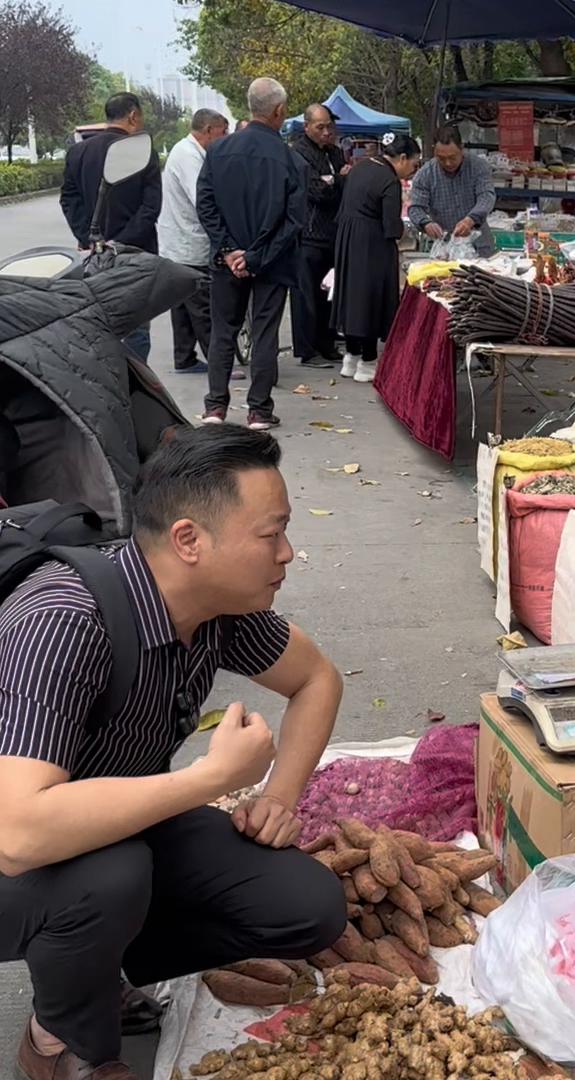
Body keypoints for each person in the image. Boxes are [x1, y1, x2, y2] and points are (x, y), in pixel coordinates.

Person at [0, 423, 346, 1080]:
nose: (288, 553)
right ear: (189, 540)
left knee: (306, 904)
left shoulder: (218, 609)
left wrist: (277, 796)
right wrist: (210, 779)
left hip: (104, 828)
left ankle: (98, 970)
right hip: (16, 846)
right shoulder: (65, 621)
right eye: (270, 534)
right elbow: (17, 833)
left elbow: (316, 679)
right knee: (112, 876)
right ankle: (56, 1043)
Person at [197, 77, 304, 431]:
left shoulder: (217, 151)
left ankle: (215, 407)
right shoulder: (290, 159)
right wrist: (256, 256)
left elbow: (206, 206)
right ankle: (258, 409)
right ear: (279, 111)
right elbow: (293, 220)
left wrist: (228, 251)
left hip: (227, 262)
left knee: (223, 331)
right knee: (265, 331)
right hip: (271, 262)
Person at [60, 92, 161, 363]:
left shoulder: (78, 152)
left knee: (101, 322)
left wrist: (89, 237)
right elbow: (150, 208)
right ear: (133, 115)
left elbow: (69, 199)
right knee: (137, 326)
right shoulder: (141, 152)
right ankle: (134, 383)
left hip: (92, 256)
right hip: (134, 254)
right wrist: (120, 242)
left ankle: (105, 381)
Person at [331, 132, 420, 382]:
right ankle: (368, 361)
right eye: (413, 165)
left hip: (347, 238)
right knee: (371, 300)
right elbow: (392, 227)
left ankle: (351, 356)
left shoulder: (361, 168)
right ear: (402, 158)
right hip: (372, 243)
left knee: (351, 296)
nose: (412, 171)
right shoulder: (389, 180)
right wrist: (405, 231)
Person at [158, 109, 229, 375]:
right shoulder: (188, 155)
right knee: (202, 306)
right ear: (209, 130)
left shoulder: (189, 151)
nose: (225, 137)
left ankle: (184, 357)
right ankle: (218, 362)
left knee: (182, 305)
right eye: (223, 132)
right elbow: (204, 200)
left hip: (180, 241)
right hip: (188, 242)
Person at [289, 104, 349, 370]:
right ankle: (307, 348)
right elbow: (316, 191)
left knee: (329, 293)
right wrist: (337, 180)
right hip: (308, 235)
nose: (327, 132)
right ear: (307, 127)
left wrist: (333, 180)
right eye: (320, 127)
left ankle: (327, 343)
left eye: (329, 126)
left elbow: (343, 186)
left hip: (333, 233)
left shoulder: (335, 152)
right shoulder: (299, 153)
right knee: (306, 294)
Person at [407, 124, 495, 258]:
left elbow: (486, 196)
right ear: (434, 152)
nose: (448, 163)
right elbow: (416, 208)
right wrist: (426, 223)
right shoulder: (425, 175)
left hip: (479, 243)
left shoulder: (479, 167)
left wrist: (470, 219)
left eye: (452, 157)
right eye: (441, 158)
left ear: (462, 149)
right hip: (445, 248)